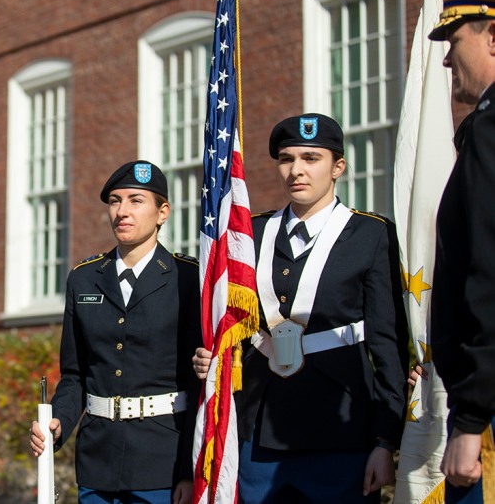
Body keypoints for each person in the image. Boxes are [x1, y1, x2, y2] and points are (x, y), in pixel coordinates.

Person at [193, 114, 408, 503]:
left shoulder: (371, 233)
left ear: (337, 166)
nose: (297, 170)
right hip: (260, 432)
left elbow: (387, 343)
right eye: (287, 159)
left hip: (341, 429)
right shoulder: (250, 235)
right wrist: (214, 356)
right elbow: (233, 322)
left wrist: (384, 439)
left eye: (311, 158)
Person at [29, 160, 200, 504]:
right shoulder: (84, 278)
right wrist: (59, 423)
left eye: (136, 200)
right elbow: (75, 373)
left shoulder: (187, 279)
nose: (122, 211)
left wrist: (188, 469)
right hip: (98, 460)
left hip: (162, 461)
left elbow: (197, 383)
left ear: (162, 212)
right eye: (115, 201)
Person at [427, 0, 495, 501]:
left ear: (493, 36)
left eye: (455, 39)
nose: (447, 58)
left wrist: (471, 417)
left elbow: (489, 271)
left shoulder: (491, 130)